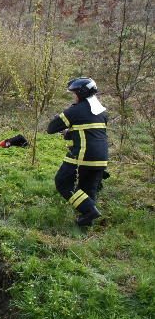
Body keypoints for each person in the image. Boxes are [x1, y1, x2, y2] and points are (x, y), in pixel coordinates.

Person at [47, 77, 108, 227]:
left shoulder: (75, 110)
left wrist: (62, 117)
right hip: (101, 158)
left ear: (81, 93)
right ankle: (86, 224)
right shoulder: (102, 112)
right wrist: (70, 132)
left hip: (83, 156)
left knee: (62, 183)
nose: (73, 96)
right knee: (88, 190)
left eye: (74, 93)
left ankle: (89, 212)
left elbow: (51, 128)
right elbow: (89, 132)